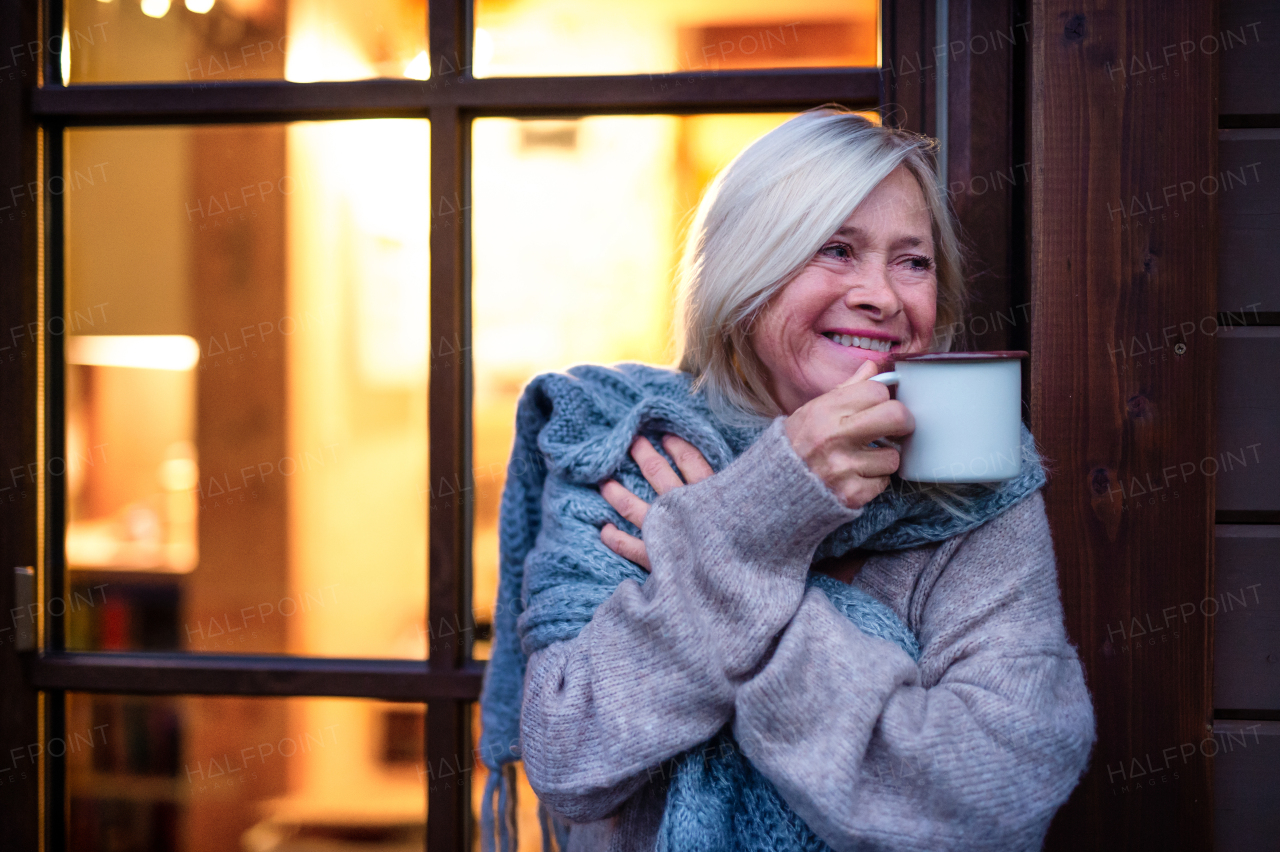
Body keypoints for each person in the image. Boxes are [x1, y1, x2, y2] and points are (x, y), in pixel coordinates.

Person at [478, 107, 1096, 852]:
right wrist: (768, 503)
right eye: (836, 250)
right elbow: (572, 756)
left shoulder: (969, 478)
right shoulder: (629, 448)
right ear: (748, 271)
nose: (885, 296)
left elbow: (996, 791)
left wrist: (729, 546)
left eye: (913, 261)